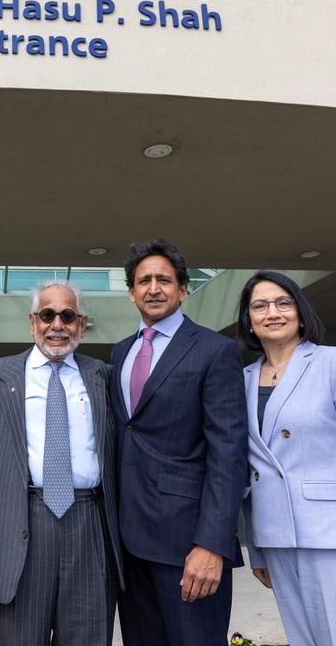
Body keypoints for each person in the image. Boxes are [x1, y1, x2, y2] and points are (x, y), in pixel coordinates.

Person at [237, 270, 336, 646]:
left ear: (300, 311)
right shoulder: (240, 378)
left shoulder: (335, 363)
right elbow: (250, 470)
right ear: (248, 319)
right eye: (259, 305)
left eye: (283, 303)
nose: (272, 312)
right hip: (277, 541)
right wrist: (258, 549)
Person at [110, 239, 247, 646]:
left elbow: (229, 454)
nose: (154, 288)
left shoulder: (215, 350)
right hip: (128, 546)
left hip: (187, 546)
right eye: (144, 280)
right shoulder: (120, 352)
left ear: (183, 289)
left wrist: (211, 544)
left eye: (164, 280)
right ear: (132, 292)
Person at [0, 280, 121, 646]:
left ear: (81, 325)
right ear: (32, 323)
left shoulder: (102, 375)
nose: (57, 325)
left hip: (89, 521)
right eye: (47, 315)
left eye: (68, 316)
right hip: (22, 521)